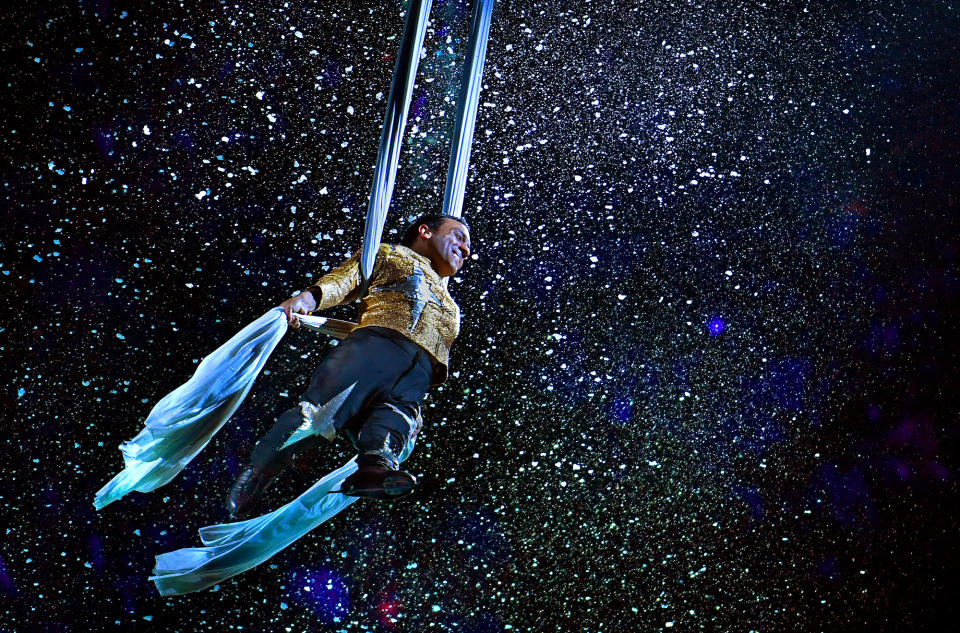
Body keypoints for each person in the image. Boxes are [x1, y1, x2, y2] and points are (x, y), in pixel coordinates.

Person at [226, 213, 471, 517]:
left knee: (388, 432)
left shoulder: (450, 302)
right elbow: (345, 280)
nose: (466, 250)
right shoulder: (392, 255)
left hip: (416, 377)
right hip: (375, 349)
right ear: (425, 231)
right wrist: (307, 299)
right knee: (319, 416)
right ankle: (261, 467)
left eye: (467, 245)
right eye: (458, 236)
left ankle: (372, 473)